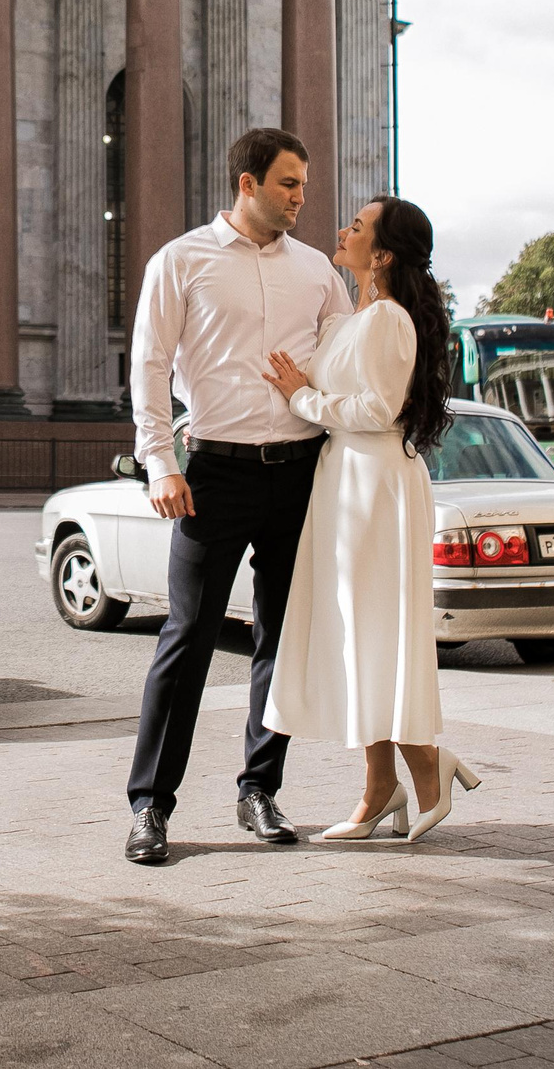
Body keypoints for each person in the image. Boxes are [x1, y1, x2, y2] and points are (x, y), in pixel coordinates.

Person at [121, 127, 353, 866]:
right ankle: (151, 806)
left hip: (301, 473)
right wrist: (161, 462)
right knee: (187, 636)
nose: (301, 198)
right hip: (213, 474)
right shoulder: (180, 260)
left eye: (304, 185)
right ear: (247, 183)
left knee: (281, 638)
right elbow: (149, 363)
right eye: (289, 184)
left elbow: (345, 363)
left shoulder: (318, 272)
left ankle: (260, 789)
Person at [262, 197, 477, 842]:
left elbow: (380, 408)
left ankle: (422, 768)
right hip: (348, 481)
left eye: (356, 226)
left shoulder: (388, 318)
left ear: (381, 254)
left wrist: (303, 397)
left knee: (375, 632)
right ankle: (384, 784)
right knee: (359, 634)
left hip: (376, 485)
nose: (342, 229)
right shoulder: (352, 318)